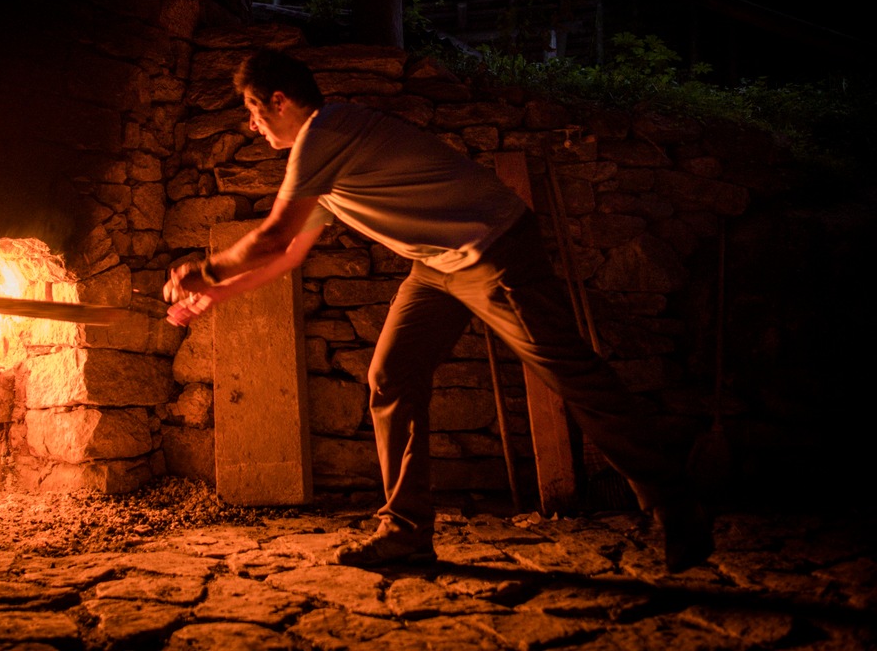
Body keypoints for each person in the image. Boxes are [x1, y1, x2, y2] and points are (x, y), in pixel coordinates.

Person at [163, 48, 714, 574]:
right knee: (391, 376)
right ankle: (405, 532)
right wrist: (215, 295)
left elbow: (273, 233)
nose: (253, 128)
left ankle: (676, 498)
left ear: (279, 101)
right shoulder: (322, 161)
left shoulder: (325, 132)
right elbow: (290, 253)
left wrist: (204, 271)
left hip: (492, 247)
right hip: (437, 265)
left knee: (567, 370)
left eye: (254, 114)